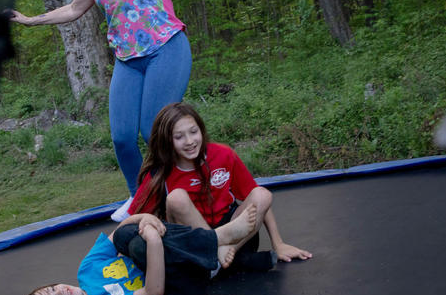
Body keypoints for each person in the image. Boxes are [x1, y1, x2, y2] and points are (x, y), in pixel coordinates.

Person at [9, 0, 221, 221]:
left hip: (166, 49)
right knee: (123, 137)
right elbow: (75, 8)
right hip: (127, 60)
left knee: (150, 130)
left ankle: (180, 195)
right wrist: (31, 20)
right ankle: (140, 196)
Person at [1, 205, 258, 295]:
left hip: (168, 259)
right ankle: (217, 240)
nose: (60, 291)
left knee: (128, 237)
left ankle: (224, 248)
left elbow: (119, 231)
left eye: (52, 289)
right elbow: (153, 292)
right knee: (139, 245)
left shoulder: (86, 271)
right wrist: (154, 241)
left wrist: (145, 218)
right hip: (181, 290)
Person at [127, 102, 312, 265]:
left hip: (235, 239)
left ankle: (218, 261)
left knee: (262, 194)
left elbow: (256, 197)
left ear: (201, 130)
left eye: (193, 132)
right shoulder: (160, 172)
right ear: (167, 140)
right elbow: (132, 220)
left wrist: (278, 243)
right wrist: (116, 254)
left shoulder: (223, 154)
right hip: (192, 241)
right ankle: (225, 259)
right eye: (179, 137)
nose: (190, 141)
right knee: (176, 198)